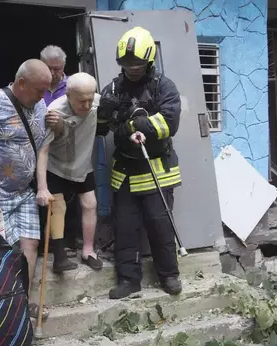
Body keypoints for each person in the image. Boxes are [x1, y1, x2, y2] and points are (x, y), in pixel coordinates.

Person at [96, 26, 183, 300]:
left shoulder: (163, 86)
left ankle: (169, 275)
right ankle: (128, 280)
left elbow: (169, 123)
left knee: (160, 225)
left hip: (157, 168)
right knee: (125, 227)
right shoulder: (111, 88)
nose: (132, 68)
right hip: (125, 172)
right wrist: (104, 112)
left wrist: (132, 122)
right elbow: (99, 130)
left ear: (149, 60)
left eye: (137, 64)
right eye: (126, 63)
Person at [0, 59, 53, 319]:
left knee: (30, 244)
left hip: (24, 192)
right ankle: (2, 306)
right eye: (39, 90)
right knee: (4, 249)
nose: (43, 96)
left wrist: (42, 187)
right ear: (21, 84)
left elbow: (43, 147)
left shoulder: (40, 104)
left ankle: (22, 301)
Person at [37, 72, 103, 273]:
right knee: (58, 207)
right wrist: (42, 187)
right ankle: (59, 256)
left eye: (90, 99)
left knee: (90, 204)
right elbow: (43, 150)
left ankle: (88, 251)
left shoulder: (97, 102)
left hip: (82, 164)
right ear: (68, 95)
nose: (86, 105)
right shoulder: (53, 111)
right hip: (56, 165)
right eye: (81, 101)